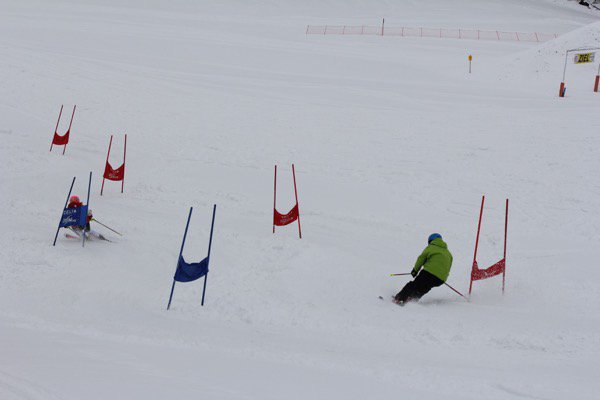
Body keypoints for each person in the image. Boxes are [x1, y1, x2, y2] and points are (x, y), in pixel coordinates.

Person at [394, 233, 453, 305]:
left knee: (413, 285)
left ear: (431, 241)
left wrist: (415, 270)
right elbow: (448, 267)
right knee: (424, 288)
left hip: (429, 273)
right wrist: (441, 277)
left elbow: (421, 259)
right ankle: (411, 300)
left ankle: (400, 298)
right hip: (440, 279)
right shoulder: (449, 254)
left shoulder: (431, 247)